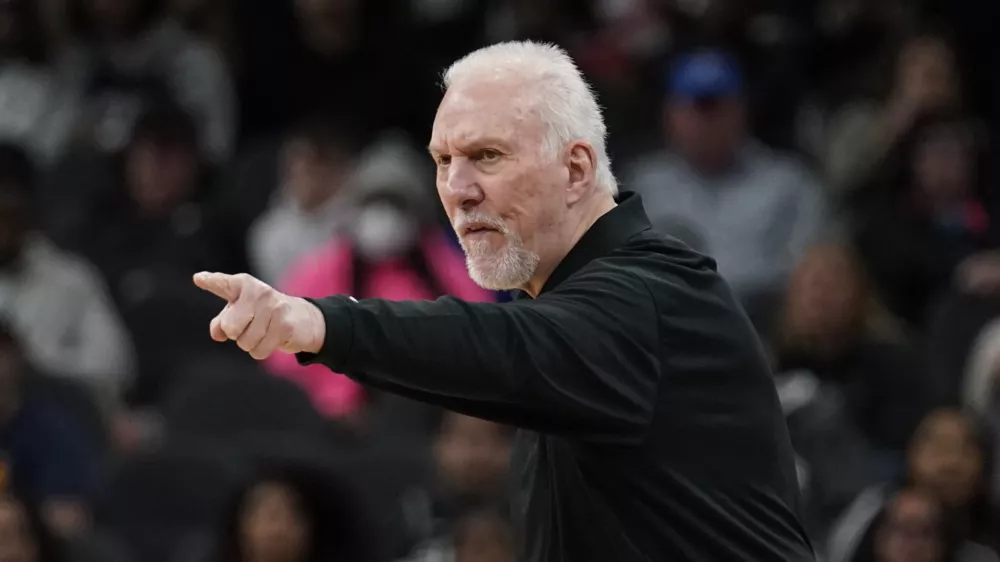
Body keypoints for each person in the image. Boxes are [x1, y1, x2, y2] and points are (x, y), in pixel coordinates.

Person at [194, 41, 814, 561]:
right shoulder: (574, 304)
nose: (457, 189)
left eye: (486, 156)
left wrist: (319, 321)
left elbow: (504, 344)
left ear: (576, 170)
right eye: (443, 161)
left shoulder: (651, 295)